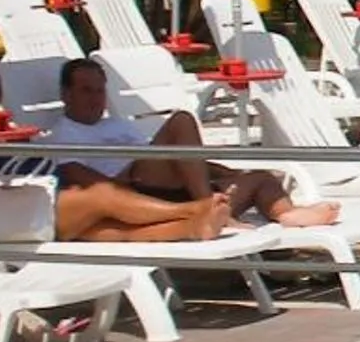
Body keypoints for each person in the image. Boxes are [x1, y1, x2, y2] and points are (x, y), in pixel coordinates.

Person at [43, 57, 339, 241]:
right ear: (66, 94)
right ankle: (207, 203)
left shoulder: (118, 126)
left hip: (166, 186)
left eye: (99, 90)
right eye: (86, 91)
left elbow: (182, 159)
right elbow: (94, 187)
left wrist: (226, 174)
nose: (95, 98)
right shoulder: (63, 135)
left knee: (259, 177)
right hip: (133, 192)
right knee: (181, 121)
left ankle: (288, 214)